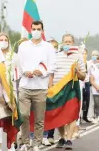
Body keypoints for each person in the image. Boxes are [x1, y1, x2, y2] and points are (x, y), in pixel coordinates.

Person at [18, 20, 56, 151]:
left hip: (40, 87)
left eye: (38, 29)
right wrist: (25, 72)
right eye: (33, 29)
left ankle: (36, 143)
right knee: (23, 115)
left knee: (39, 118)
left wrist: (42, 72)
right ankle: (25, 142)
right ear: (30, 30)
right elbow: (19, 65)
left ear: (42, 31)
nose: (36, 31)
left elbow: (52, 66)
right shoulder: (23, 46)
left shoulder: (48, 47)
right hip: (25, 86)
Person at [49, 33, 86, 150]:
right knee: (59, 115)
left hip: (72, 90)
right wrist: (50, 89)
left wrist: (77, 72)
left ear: (73, 43)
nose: (67, 44)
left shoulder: (78, 56)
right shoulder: (56, 56)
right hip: (58, 89)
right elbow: (51, 74)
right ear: (62, 43)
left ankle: (69, 140)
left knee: (71, 115)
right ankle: (62, 137)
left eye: (69, 42)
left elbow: (83, 76)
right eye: (65, 41)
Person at [0, 32, 19, 151]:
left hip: (11, 91)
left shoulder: (13, 56)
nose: (3, 42)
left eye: (5, 40)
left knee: (11, 120)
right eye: (0, 40)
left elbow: (19, 73)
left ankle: (12, 145)